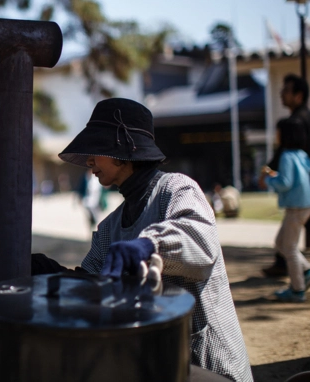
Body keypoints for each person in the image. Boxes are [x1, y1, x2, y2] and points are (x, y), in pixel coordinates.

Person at [50, 98, 252, 381]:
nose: (90, 161)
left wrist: (149, 245)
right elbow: (94, 282)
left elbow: (200, 245)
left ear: (121, 151)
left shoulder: (177, 189)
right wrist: (54, 274)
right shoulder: (110, 226)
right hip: (159, 364)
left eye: (96, 150)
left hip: (210, 362)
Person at [260, 74, 310, 278]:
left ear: (298, 96)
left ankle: (297, 281)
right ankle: (289, 266)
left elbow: (283, 155)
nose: (281, 94)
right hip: (303, 192)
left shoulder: (296, 123)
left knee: (287, 242)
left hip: (300, 193)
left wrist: (268, 175)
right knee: (286, 240)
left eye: (286, 90)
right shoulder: (303, 119)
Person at [259, 121, 310, 302]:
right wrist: (276, 176)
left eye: (277, 131)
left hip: (295, 208)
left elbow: (286, 182)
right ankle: (305, 271)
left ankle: (297, 290)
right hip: (305, 205)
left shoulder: (287, 156)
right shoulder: (302, 154)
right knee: (281, 243)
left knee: (289, 248)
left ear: (285, 134)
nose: (276, 135)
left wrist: (269, 181)